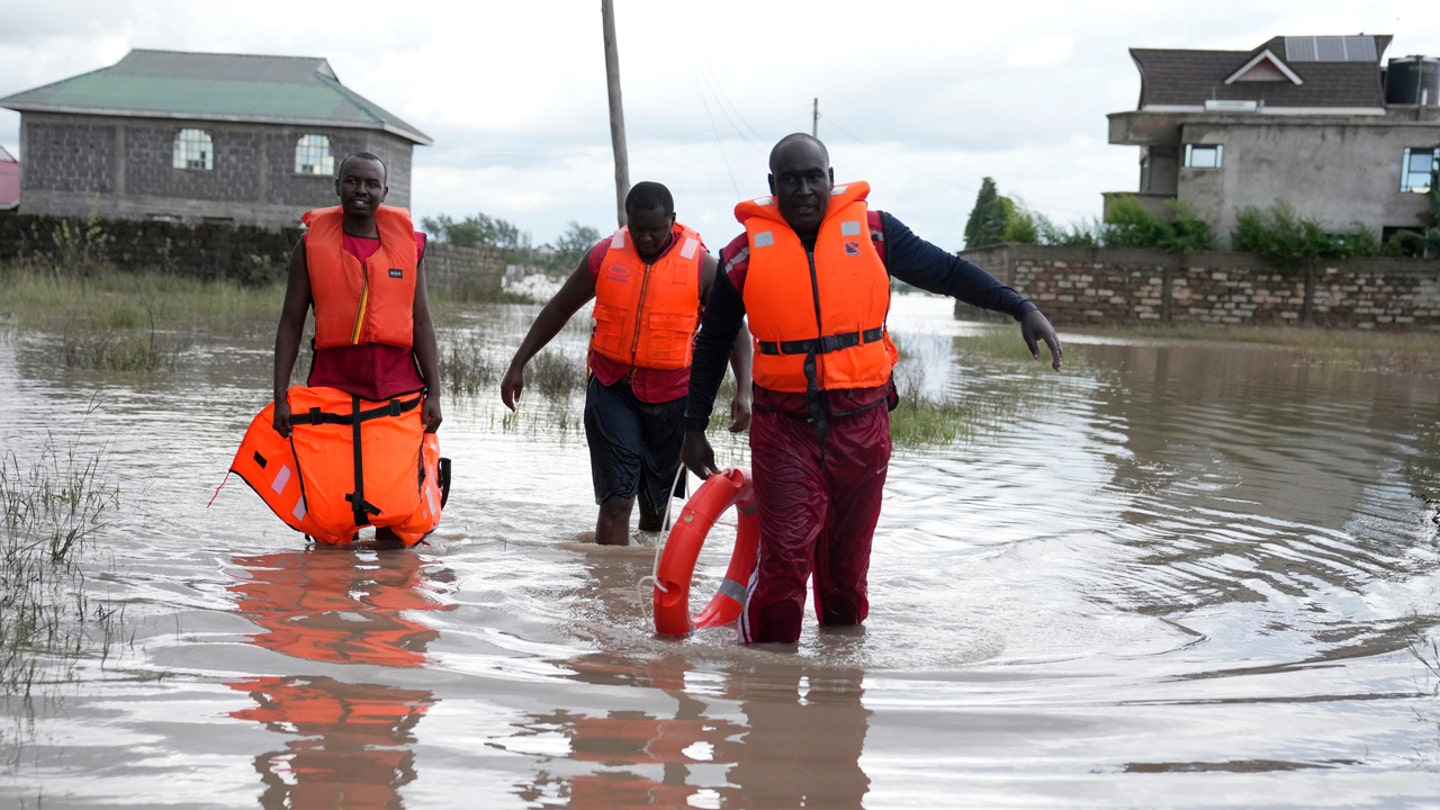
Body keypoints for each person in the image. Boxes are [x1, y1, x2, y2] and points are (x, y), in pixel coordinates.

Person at [682, 133, 1062, 644]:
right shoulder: (742, 256)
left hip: (862, 424)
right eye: (789, 180)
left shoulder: (877, 234)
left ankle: (838, 697)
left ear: (831, 179)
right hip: (783, 429)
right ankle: (768, 694)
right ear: (772, 187)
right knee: (785, 559)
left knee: (845, 573)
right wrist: (692, 426)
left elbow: (948, 272)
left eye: (813, 177)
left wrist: (1021, 306)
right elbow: (712, 346)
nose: (803, 189)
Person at [501, 181, 752, 546]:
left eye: (656, 230)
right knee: (617, 501)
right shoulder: (604, 256)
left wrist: (743, 390)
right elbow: (559, 307)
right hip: (611, 388)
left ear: (673, 221)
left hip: (673, 400)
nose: (647, 238)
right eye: (638, 230)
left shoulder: (702, 267)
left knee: (656, 513)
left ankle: (640, 591)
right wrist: (518, 363)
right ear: (626, 222)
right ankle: (606, 593)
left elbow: (735, 333)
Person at [271, 151, 443, 547]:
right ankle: (331, 604)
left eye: (370, 183)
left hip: (397, 393)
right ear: (337, 187)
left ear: (385, 190)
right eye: (352, 181)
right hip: (332, 390)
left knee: (395, 520)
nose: (360, 190)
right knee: (330, 524)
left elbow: (421, 323)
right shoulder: (309, 246)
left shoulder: (409, 248)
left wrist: (434, 392)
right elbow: (290, 325)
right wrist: (280, 396)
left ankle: (385, 606)